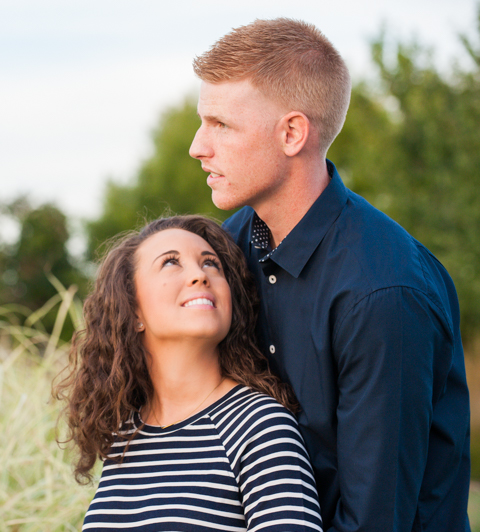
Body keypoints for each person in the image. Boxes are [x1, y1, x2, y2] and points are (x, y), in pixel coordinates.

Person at [189, 18, 471, 532]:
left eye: (221, 125)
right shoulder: (226, 250)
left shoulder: (383, 292)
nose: (198, 147)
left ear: (292, 133)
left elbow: (375, 520)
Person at [56, 215, 323, 531]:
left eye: (211, 264)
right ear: (134, 309)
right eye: (171, 263)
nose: (200, 275)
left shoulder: (259, 426)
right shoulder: (126, 435)